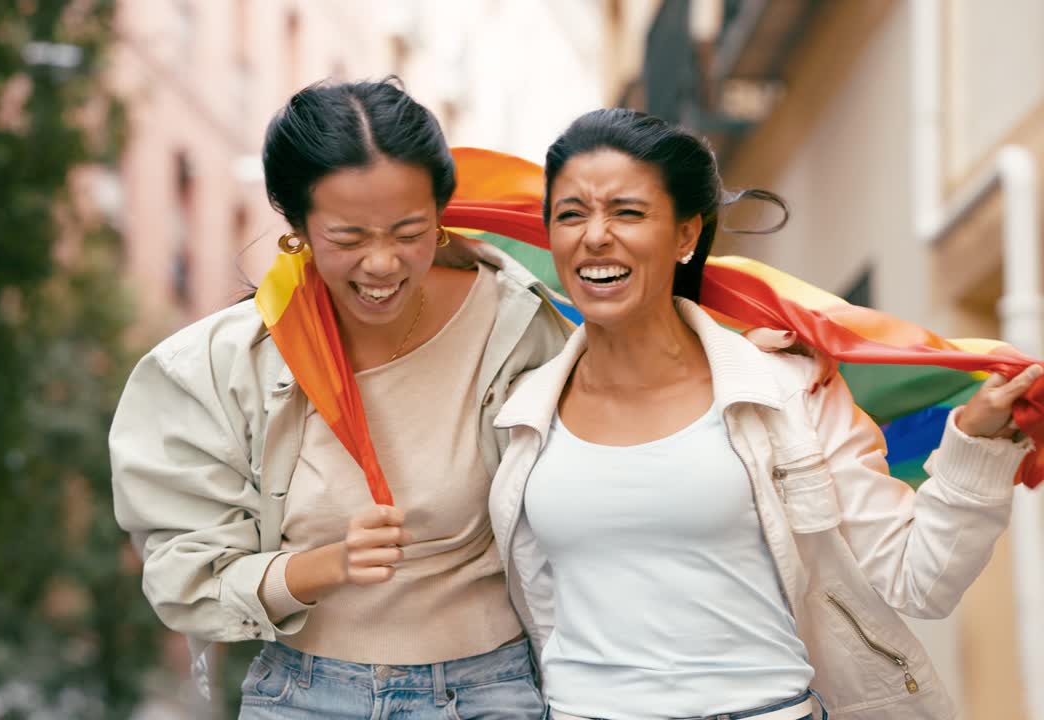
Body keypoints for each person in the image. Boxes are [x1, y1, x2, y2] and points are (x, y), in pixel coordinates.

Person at [487, 107, 1040, 720]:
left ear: (686, 235)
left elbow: (919, 581)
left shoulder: (786, 392)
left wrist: (977, 445)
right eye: (571, 214)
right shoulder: (518, 414)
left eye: (628, 211)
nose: (595, 235)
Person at [109, 78, 572, 719]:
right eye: (348, 238)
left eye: (408, 231)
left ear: (441, 213)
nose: (382, 263)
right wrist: (322, 566)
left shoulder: (523, 327)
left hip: (491, 692)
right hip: (304, 698)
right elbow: (184, 575)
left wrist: (758, 357)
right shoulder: (214, 368)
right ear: (297, 226)